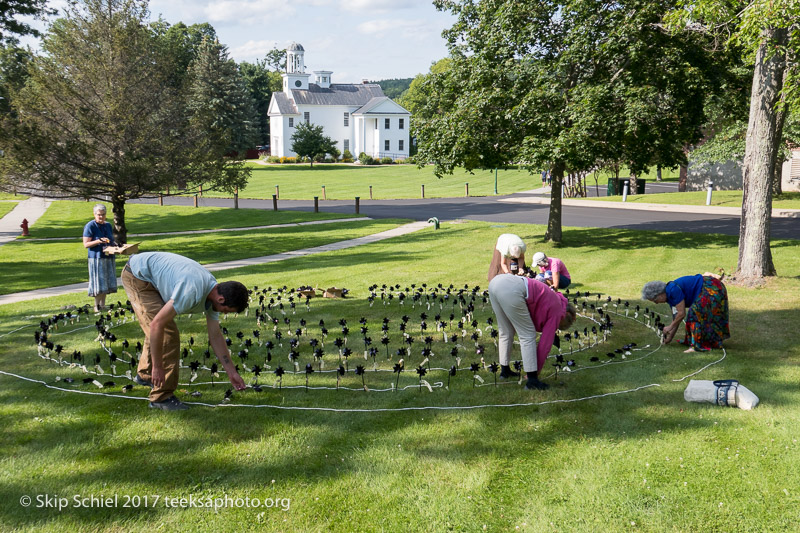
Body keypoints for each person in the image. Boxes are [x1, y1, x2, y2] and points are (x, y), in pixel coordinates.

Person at [122, 251, 249, 410]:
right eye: (227, 310)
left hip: (148, 273)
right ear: (221, 299)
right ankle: (161, 397)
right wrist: (158, 367)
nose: (224, 313)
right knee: (168, 334)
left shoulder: (213, 291)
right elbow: (156, 325)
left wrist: (232, 372)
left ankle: (144, 376)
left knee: (162, 327)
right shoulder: (192, 291)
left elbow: (215, 335)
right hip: (138, 276)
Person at [488, 274, 577, 390]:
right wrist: (537, 370)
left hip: (495, 282)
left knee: (506, 331)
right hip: (512, 289)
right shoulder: (557, 311)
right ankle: (532, 380)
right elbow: (545, 344)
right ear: (565, 317)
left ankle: (504, 371)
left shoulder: (556, 299)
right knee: (528, 335)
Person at [641, 274, 730, 353]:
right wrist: (670, 338)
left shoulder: (673, 290)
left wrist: (669, 327)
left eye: (655, 300)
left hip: (711, 287)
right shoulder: (669, 296)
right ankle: (707, 342)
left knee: (694, 313)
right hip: (710, 286)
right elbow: (677, 318)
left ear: (659, 294)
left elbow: (682, 314)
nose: (656, 303)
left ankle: (696, 347)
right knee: (697, 313)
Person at [82, 204, 117, 312]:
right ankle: (96, 306)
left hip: (108, 257)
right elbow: (86, 244)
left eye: (103, 214)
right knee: (98, 283)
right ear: (94, 214)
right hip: (96, 258)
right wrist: (98, 241)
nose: (101, 217)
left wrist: (115, 245)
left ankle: (103, 305)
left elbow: (110, 240)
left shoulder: (108, 225)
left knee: (106, 282)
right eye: (99, 215)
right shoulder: (90, 226)